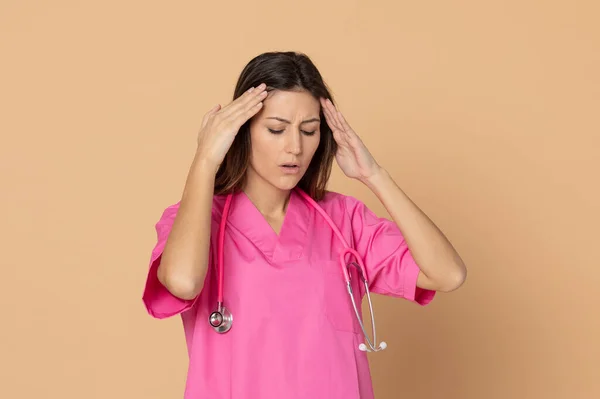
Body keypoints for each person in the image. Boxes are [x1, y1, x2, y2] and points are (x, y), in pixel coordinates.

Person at [142, 51, 467, 398]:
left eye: (309, 131)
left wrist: (374, 175)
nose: (295, 147)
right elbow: (182, 281)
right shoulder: (197, 219)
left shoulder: (343, 220)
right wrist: (205, 160)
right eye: (276, 129)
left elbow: (448, 274)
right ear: (241, 132)